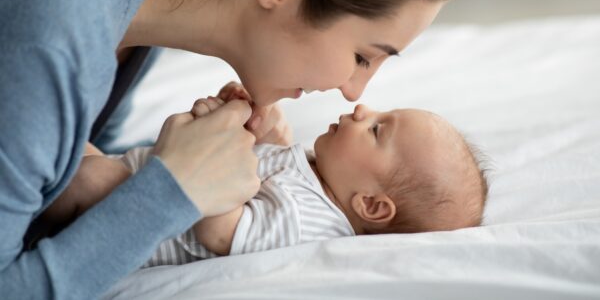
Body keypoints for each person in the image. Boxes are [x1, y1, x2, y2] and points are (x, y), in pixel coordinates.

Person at [0, 0, 466, 298]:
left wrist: (192, 158)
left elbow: (59, 167)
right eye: (363, 56)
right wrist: (173, 190)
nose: (354, 91)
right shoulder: (56, 37)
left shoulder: (130, 5)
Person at [42, 94, 488, 266]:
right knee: (69, 145)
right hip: (135, 173)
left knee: (86, 176)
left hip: (134, 219)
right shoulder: (317, 170)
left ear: (370, 205)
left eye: (376, 130)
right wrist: (258, 129)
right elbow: (268, 161)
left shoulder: (308, 219)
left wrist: (215, 149)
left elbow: (221, 232)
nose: (361, 109)